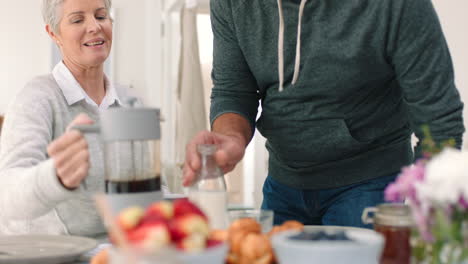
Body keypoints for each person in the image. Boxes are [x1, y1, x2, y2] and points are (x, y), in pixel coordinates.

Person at [183, 0, 465, 227]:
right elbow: (233, 90)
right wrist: (230, 136)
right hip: (283, 182)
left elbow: (439, 121)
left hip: (369, 184)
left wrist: (425, 217)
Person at [0, 0, 128, 236]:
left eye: (101, 16)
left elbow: (144, 186)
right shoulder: (36, 97)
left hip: (111, 251)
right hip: (46, 254)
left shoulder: (128, 101)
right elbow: (6, 194)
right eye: (78, 20)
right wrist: (56, 177)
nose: (94, 27)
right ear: (53, 33)